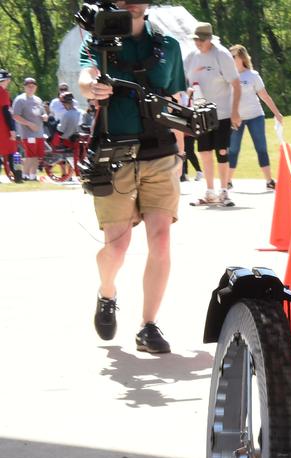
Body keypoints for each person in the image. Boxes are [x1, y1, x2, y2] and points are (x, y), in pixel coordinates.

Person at [78, 0, 187, 353]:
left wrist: (182, 152)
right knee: (118, 246)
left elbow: (175, 98)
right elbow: (86, 76)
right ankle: (106, 293)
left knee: (162, 239)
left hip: (161, 153)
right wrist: (92, 88)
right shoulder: (98, 40)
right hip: (115, 155)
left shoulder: (167, 46)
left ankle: (148, 325)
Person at [184, 21, 241, 206]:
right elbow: (185, 81)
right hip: (200, 112)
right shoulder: (192, 56)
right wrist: (188, 91)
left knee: (222, 151)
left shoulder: (222, 55)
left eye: (201, 39)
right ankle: (209, 192)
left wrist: (235, 112)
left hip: (222, 112)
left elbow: (236, 84)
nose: (198, 42)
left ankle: (224, 192)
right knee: (204, 152)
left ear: (209, 39)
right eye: (196, 39)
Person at [225, 44, 283, 190]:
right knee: (232, 149)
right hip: (236, 118)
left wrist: (277, 113)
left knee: (261, 148)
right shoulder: (227, 76)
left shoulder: (252, 75)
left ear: (242, 58)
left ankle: (269, 181)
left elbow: (264, 96)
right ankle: (227, 181)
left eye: (233, 56)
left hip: (255, 116)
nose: (231, 59)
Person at [11, 77, 47, 181]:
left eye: (33, 86)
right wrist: (29, 124)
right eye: (29, 86)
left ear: (36, 87)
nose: (31, 88)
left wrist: (45, 116)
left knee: (36, 155)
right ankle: (24, 175)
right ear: (24, 87)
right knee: (30, 155)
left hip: (39, 132)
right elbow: (15, 116)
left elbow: (43, 112)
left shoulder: (38, 99)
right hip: (28, 133)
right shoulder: (20, 100)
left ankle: (33, 176)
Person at [0, 70, 18, 182]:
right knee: (11, 150)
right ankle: (16, 175)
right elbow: (5, 111)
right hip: (2, 127)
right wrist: (12, 129)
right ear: (5, 80)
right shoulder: (3, 92)